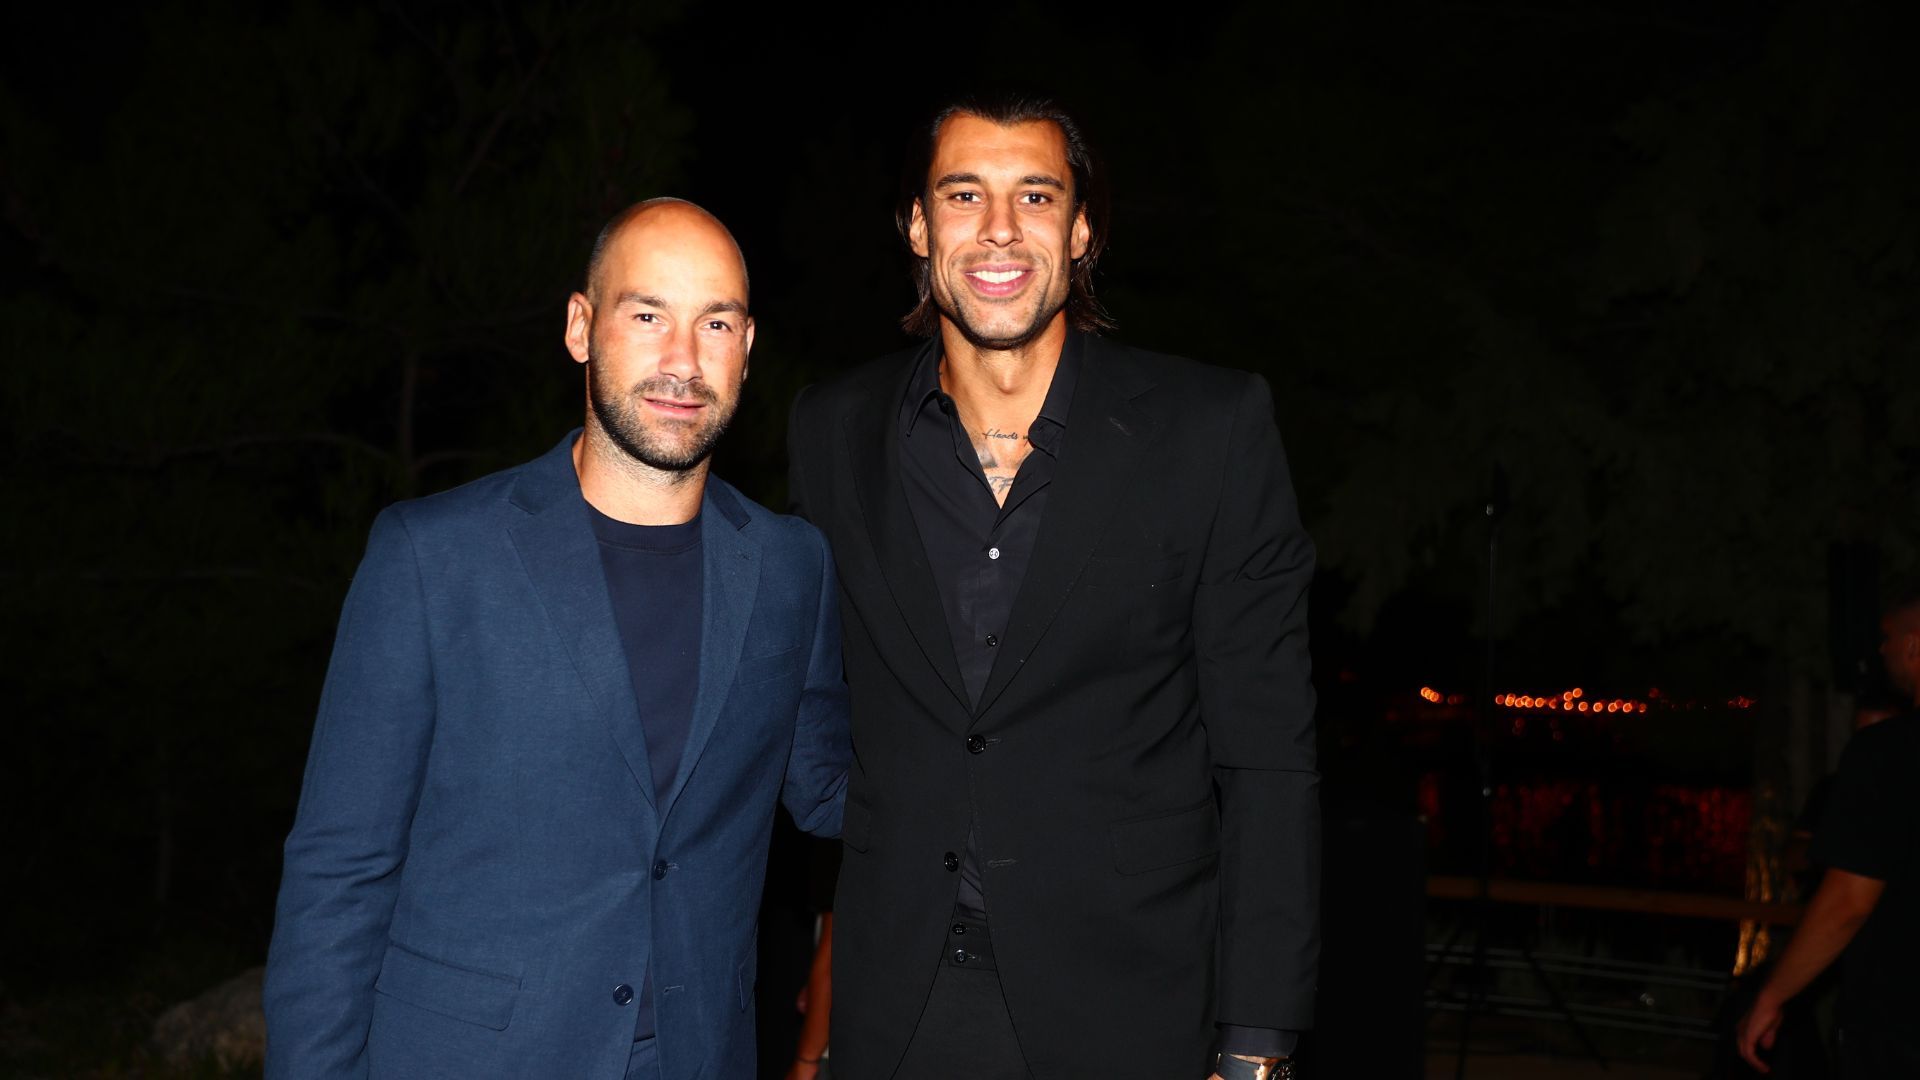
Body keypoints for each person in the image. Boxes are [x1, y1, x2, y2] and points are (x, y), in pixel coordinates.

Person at [787, 93, 1318, 1080]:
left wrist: (1256, 1039)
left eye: (1035, 195)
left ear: (1080, 231)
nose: (999, 227)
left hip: (1132, 1003)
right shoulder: (831, 431)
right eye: (963, 194)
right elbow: (815, 697)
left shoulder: (1211, 430)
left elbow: (1268, 760)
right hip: (899, 1005)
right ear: (918, 226)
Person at [263, 199, 850, 1080]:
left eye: (715, 323)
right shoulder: (433, 555)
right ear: (581, 327)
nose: (683, 360)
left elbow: (836, 789)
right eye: (647, 316)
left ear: (747, 346)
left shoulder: (790, 567)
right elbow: (339, 870)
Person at [1737, 596, 1920, 1077]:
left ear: (1913, 647)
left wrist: (1773, 995)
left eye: (1887, 638)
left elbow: (1848, 901)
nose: (1880, 650)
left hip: (1899, 1026)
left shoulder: (1888, 753)